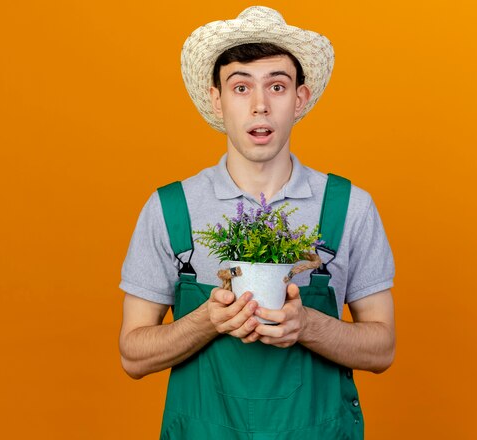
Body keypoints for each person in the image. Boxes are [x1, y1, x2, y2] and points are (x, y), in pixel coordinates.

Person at [118, 6, 395, 439]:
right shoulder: (171, 209)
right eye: (241, 87)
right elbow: (133, 355)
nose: (260, 105)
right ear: (217, 99)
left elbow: (382, 348)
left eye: (277, 86)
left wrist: (307, 325)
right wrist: (208, 321)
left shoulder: (350, 207)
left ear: (299, 98)